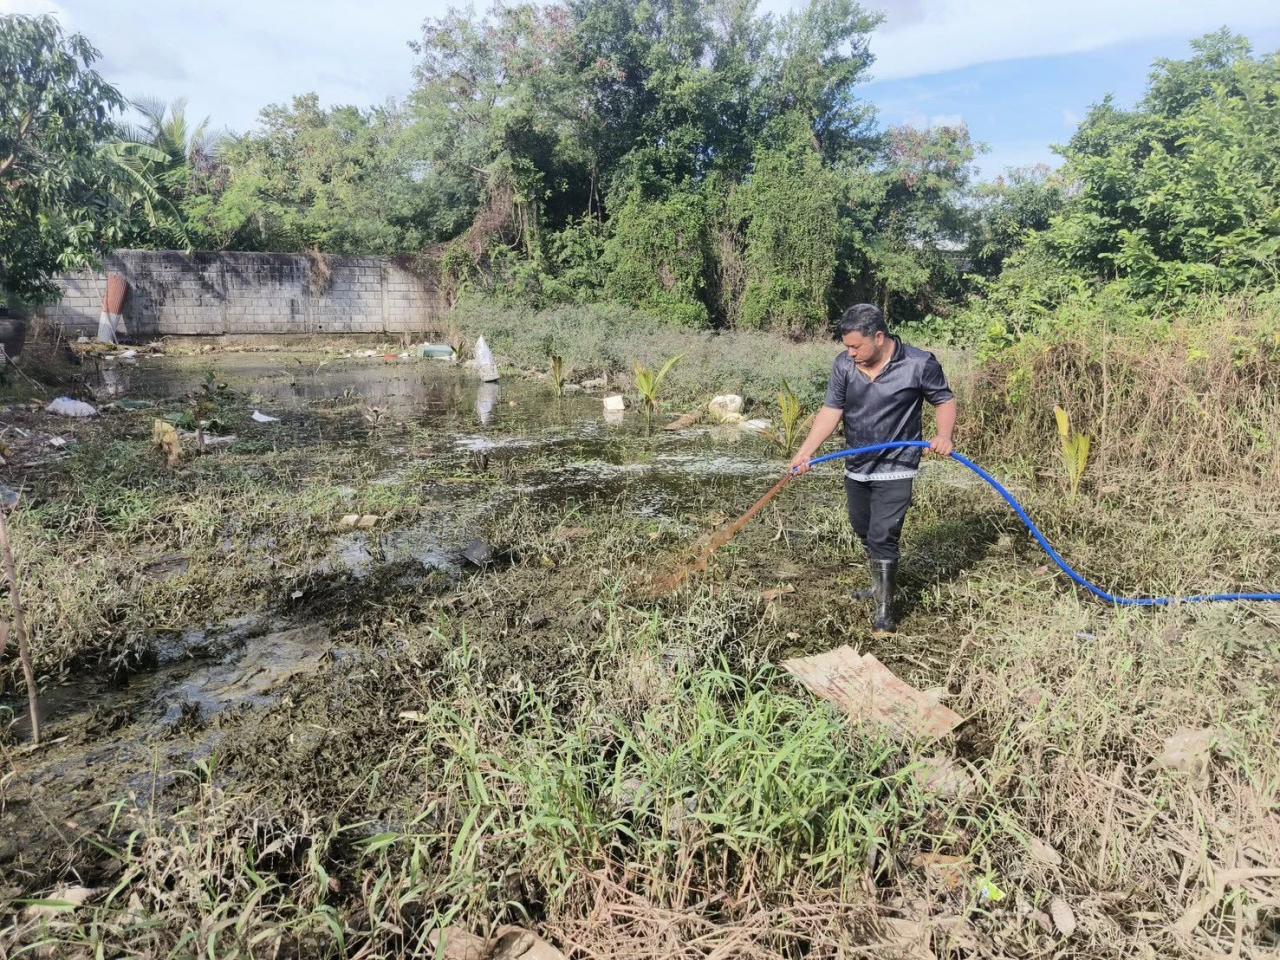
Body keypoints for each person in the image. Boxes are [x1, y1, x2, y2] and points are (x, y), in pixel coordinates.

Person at [789, 304, 957, 633]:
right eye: (846, 346)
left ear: (879, 337)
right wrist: (805, 452)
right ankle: (879, 584)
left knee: (883, 534)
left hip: (897, 464)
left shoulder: (919, 364)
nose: (850, 353)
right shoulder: (844, 366)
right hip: (858, 463)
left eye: (856, 346)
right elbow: (830, 411)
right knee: (862, 527)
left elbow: (944, 401)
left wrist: (944, 436)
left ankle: (884, 611)